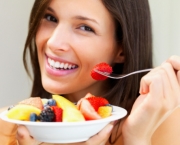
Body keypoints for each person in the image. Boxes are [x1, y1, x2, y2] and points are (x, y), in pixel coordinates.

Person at [1, 0, 180, 144]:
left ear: (122, 50)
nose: (54, 43)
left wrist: (137, 138)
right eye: (50, 17)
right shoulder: (7, 128)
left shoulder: (166, 126)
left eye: (85, 27)